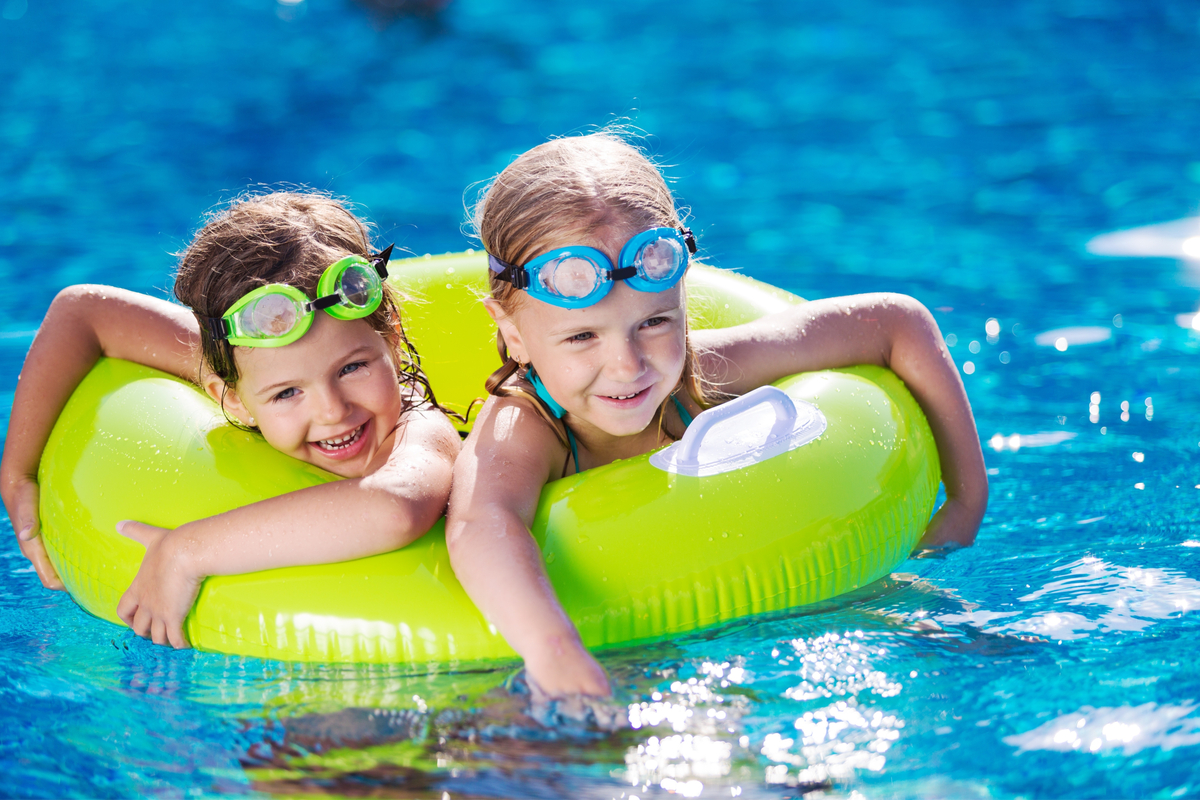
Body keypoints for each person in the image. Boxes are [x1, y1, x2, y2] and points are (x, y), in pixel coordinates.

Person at [445, 132, 988, 699]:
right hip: (602, 644)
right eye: (583, 336)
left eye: (654, 323)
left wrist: (966, 501)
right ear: (514, 336)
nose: (628, 367)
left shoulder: (699, 374)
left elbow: (897, 324)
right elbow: (481, 521)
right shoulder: (526, 424)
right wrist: (554, 651)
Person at [0, 191, 460, 649]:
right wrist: (17, 475)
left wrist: (185, 552)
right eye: (287, 393)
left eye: (352, 368)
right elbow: (84, 310)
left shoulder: (417, 429)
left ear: (392, 341)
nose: (332, 410)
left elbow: (395, 508)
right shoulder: (252, 358)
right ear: (231, 400)